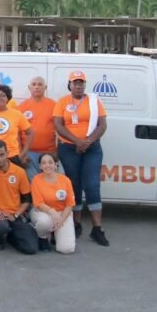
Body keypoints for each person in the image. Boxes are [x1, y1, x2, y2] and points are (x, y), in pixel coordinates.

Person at [53, 70, 109, 246]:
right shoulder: (62, 101)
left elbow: (102, 124)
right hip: (69, 148)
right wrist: (77, 141)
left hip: (92, 148)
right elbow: (58, 125)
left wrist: (87, 141)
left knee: (92, 185)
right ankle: (76, 223)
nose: (78, 86)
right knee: (74, 185)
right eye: (75, 83)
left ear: (85, 84)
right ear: (69, 85)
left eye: (81, 83)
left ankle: (97, 228)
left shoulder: (94, 101)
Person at [0, 139, 38, 254]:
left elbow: (27, 200)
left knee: (31, 248)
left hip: (15, 215)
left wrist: (16, 214)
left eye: (2, 155)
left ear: (7, 153)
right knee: (1, 226)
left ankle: (10, 236)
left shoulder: (19, 172)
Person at [30, 152, 76, 253]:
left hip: (63, 213)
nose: (47, 165)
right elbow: (38, 203)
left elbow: (70, 204)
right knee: (44, 223)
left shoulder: (65, 180)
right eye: (44, 163)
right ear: (40, 166)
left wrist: (61, 220)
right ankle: (43, 237)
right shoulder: (36, 180)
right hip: (43, 212)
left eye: (50, 162)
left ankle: (55, 233)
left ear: (56, 164)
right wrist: (52, 212)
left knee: (66, 249)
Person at [17, 76, 57, 180]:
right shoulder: (21, 107)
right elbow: (17, 134)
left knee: (51, 181)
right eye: (34, 84)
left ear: (45, 87)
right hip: (29, 153)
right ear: (29, 87)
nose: (37, 87)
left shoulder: (54, 105)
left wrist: (56, 152)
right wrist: (22, 154)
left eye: (40, 84)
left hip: (49, 153)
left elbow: (59, 130)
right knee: (33, 183)